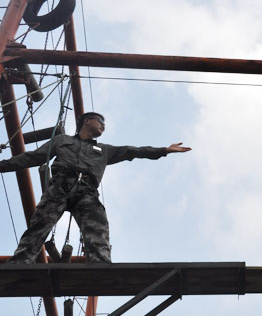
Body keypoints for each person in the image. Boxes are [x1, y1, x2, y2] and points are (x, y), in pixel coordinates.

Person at [0, 112, 191, 263]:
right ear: (87, 121)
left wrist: (164, 150)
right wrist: (3, 165)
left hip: (87, 191)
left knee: (98, 227)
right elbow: (32, 157)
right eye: (100, 122)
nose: (103, 126)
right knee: (39, 225)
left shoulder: (104, 150)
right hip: (60, 186)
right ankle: (20, 261)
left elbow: (133, 151)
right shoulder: (62, 140)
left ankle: (100, 264)